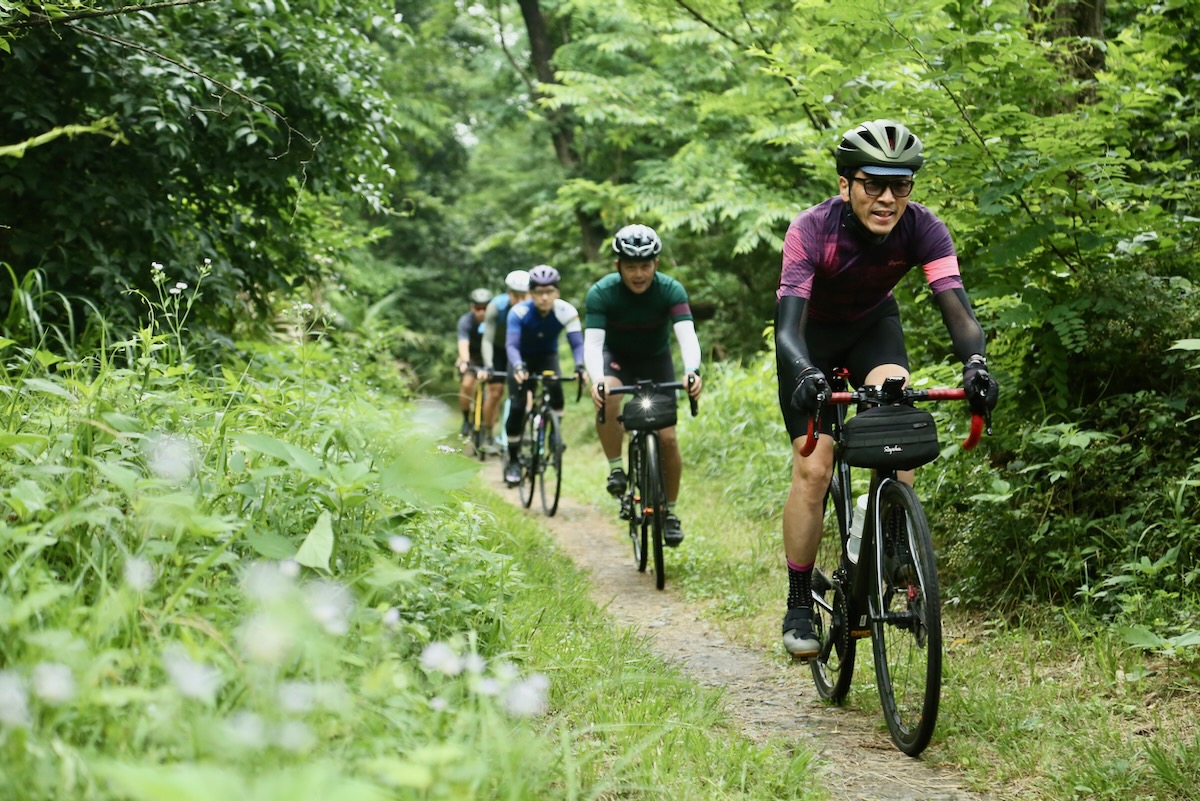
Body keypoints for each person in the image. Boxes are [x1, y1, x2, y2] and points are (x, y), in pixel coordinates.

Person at [774, 119, 999, 659]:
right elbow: (787, 329)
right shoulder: (811, 230)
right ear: (846, 183)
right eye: (874, 182)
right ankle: (799, 600)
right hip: (810, 341)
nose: (888, 197)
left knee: (898, 412)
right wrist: (807, 374)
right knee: (814, 468)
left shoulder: (925, 228)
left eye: (901, 184)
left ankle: (889, 536)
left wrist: (975, 364)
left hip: (873, 328)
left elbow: (958, 309)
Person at [585, 224, 703, 547]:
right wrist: (596, 380)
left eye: (645, 266)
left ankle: (671, 512)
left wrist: (692, 371)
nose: (638, 274)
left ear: (657, 264)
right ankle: (616, 469)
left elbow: (687, 336)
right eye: (631, 266)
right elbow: (593, 345)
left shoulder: (671, 290)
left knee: (667, 439)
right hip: (617, 360)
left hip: (656, 360)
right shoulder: (601, 293)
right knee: (607, 394)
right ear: (617, 266)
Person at [502, 265, 589, 486]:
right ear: (530, 294)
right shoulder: (519, 312)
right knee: (518, 405)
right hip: (521, 358)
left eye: (549, 292)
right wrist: (519, 366)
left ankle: (554, 436)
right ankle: (512, 459)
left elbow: (577, 344)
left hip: (547, 357)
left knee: (556, 392)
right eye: (538, 293)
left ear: (557, 293)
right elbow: (511, 345)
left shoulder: (566, 311)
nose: (544, 297)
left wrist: (580, 366)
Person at [479, 270, 531, 452]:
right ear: (508, 293)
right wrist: (489, 365)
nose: (519, 300)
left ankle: (522, 430)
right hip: (498, 350)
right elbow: (487, 339)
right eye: (515, 296)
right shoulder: (496, 307)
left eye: (523, 296)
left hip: (520, 350)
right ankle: (488, 432)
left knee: (526, 390)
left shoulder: (532, 308)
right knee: (495, 391)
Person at [455, 288, 492, 437]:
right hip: (473, 357)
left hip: (490, 358)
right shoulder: (465, 321)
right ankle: (465, 419)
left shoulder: (495, 321)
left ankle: (489, 427)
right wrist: (464, 361)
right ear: (472, 307)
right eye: (478, 308)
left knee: (493, 391)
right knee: (466, 384)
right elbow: (463, 343)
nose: (481, 312)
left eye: (485, 308)